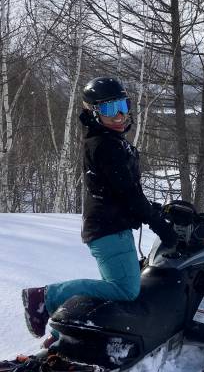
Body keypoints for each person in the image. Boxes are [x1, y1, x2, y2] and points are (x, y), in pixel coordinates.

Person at [21, 77, 177, 339]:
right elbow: (128, 193)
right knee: (125, 290)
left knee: (111, 288)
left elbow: (125, 191)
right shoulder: (105, 145)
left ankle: (67, 331)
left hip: (109, 227)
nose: (118, 115)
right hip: (108, 230)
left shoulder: (108, 140)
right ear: (94, 113)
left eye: (122, 106)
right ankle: (45, 297)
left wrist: (155, 210)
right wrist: (159, 225)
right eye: (107, 109)